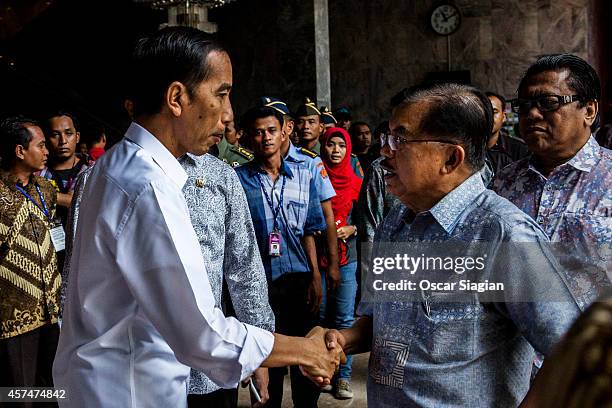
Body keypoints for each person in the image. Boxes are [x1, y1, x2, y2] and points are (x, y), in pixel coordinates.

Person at [53, 27, 341, 408]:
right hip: (131, 390)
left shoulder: (108, 171)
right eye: (221, 94)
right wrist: (305, 350)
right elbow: (205, 336)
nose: (227, 116)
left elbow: (242, 270)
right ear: (176, 98)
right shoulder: (147, 187)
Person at [318, 83, 581, 407]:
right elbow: (382, 322)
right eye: (386, 138)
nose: (385, 150)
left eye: (399, 139)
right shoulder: (396, 221)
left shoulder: (503, 236)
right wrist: (341, 339)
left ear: (450, 159)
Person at [493, 54, 611, 308]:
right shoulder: (504, 183)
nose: (533, 114)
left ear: (589, 110)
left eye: (548, 102)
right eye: (524, 105)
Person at [236, 106, 327, 408]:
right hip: (261, 283)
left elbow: (312, 229)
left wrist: (316, 275)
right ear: (249, 138)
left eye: (271, 131)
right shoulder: (239, 180)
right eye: (258, 132)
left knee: (304, 361)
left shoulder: (305, 172)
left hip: (300, 277)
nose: (266, 138)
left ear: (285, 131)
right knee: (268, 361)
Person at [0, 116, 61, 396]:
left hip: (50, 311)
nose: (47, 151)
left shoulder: (45, 190)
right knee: (18, 391)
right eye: (40, 145)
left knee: (52, 387)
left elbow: (75, 200)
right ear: (20, 151)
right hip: (12, 318)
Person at [263, 96, 342, 295]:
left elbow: (327, 215)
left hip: (303, 262)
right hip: (264, 265)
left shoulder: (308, 163)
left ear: (287, 128)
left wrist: (333, 264)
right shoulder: (251, 170)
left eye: (273, 124)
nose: (267, 132)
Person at [318, 127, 362, 400]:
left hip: (347, 260)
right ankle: (324, 372)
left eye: (341, 145)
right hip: (319, 260)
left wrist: (352, 228)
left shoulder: (357, 183)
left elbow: (367, 221)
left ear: (348, 150)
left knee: (344, 319)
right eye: (331, 145)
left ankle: (343, 379)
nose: (336, 150)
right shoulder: (316, 179)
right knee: (320, 318)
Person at [40, 110, 91, 226]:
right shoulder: (39, 171)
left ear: (77, 137)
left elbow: (76, 202)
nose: (63, 141)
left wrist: (39, 192)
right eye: (55, 135)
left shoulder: (90, 169)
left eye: (68, 133)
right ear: (47, 139)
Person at [483, 91, 529, 179]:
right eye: (484, 111)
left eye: (494, 112)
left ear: (503, 117)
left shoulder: (519, 149)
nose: (488, 117)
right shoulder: (466, 149)